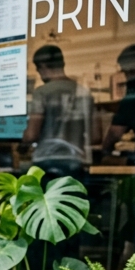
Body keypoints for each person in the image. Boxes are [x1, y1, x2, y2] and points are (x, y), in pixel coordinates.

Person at [20, 44, 92, 178]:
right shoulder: (84, 92)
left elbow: (32, 135)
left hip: (46, 160)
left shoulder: (42, 92)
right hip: (75, 160)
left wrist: (23, 140)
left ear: (42, 66)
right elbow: (96, 135)